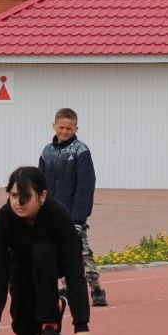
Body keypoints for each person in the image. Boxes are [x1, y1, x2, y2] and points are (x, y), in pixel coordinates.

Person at [0, 166, 97, 335]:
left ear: (42, 196)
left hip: (51, 263)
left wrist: (81, 326)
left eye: (25, 197)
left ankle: (50, 324)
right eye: (13, 196)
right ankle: (58, 304)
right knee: (26, 333)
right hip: (20, 266)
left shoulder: (60, 216)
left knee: (41, 250)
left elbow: (74, 271)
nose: (18, 203)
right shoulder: (4, 219)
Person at [39, 107, 106, 307]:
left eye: (69, 128)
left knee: (82, 252)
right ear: (54, 126)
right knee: (56, 252)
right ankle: (67, 285)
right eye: (61, 127)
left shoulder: (80, 151)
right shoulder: (46, 152)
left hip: (73, 215)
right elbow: (40, 184)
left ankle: (96, 288)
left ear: (76, 128)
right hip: (51, 215)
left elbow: (85, 185)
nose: (65, 131)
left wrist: (79, 218)